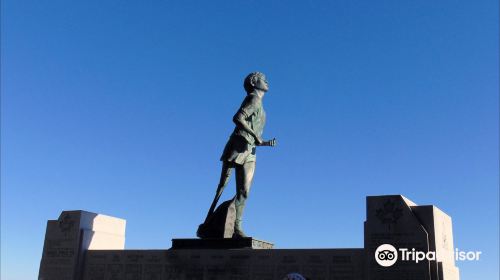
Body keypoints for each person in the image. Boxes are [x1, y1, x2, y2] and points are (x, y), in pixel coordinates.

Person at [202, 72, 276, 238]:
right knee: (222, 186)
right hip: (238, 147)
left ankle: (236, 226)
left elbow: (254, 137)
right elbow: (237, 118)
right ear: (253, 82)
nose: (266, 82)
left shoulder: (260, 105)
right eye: (263, 79)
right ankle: (211, 224)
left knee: (244, 191)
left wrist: (264, 142)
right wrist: (255, 136)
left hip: (250, 151)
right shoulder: (253, 99)